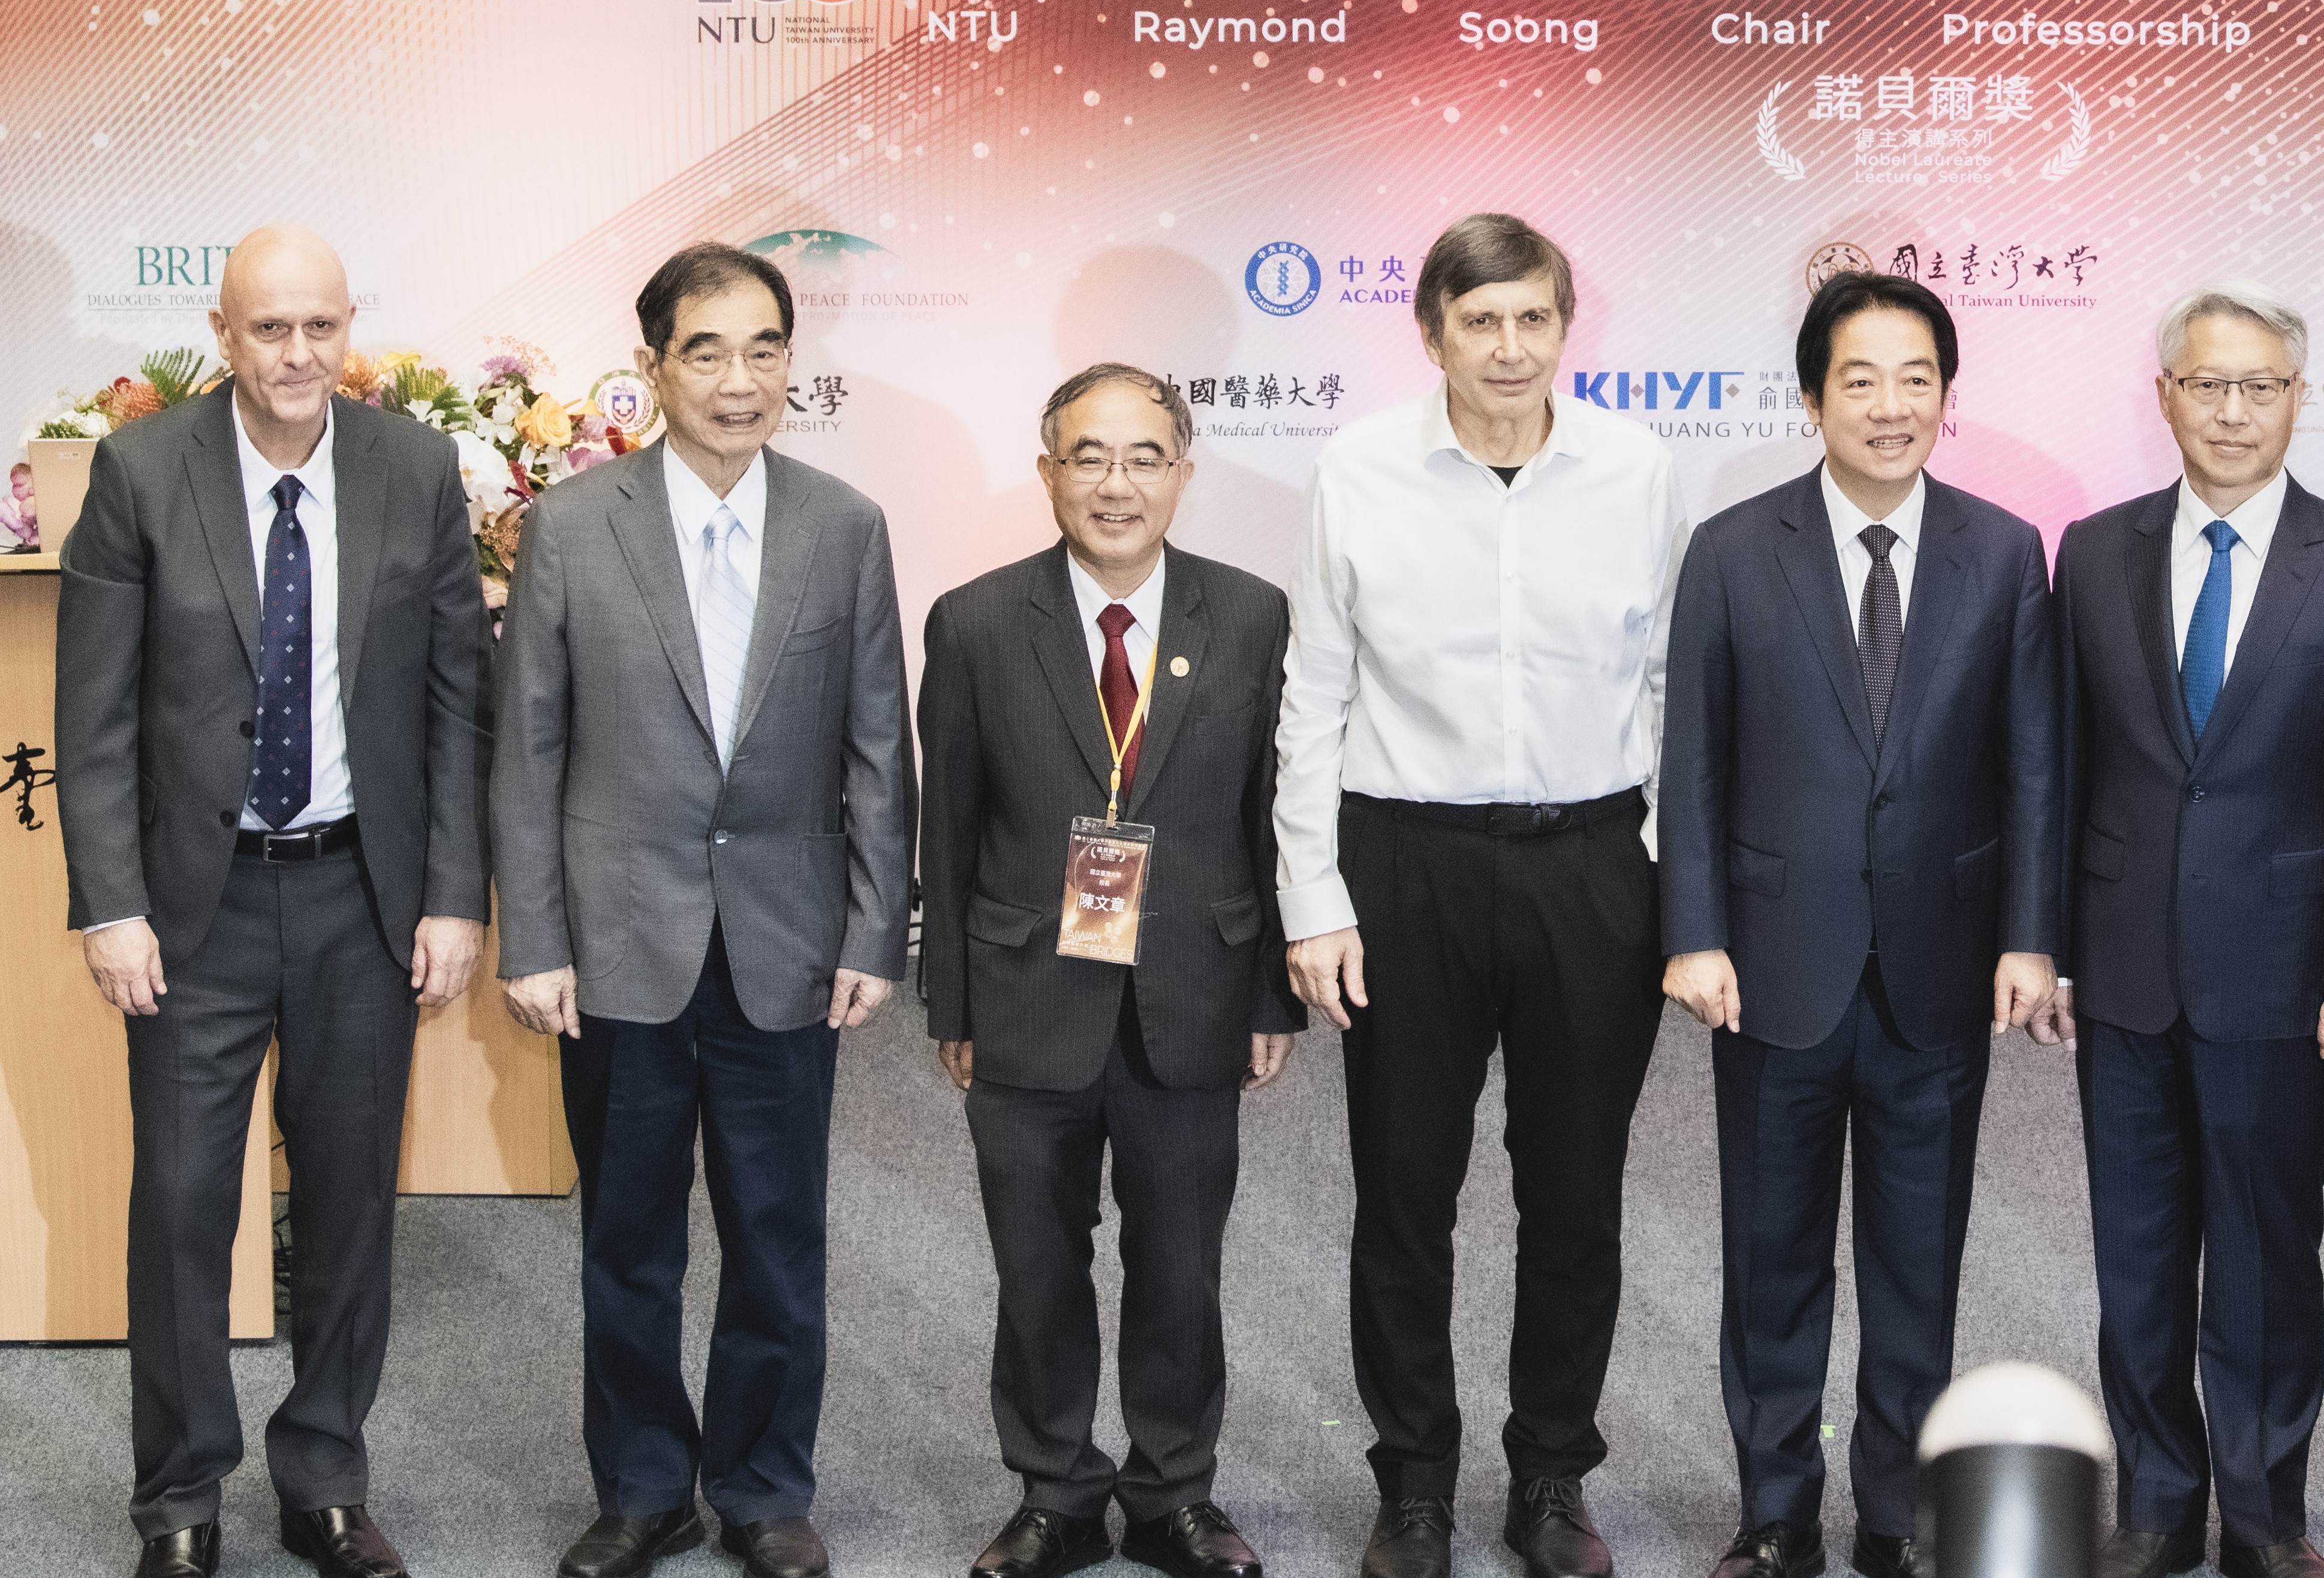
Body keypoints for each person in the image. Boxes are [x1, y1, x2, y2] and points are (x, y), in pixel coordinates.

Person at [56, 226, 490, 1578]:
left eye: (319, 328)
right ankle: (180, 1497)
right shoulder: (141, 471)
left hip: (363, 894)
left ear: (349, 326)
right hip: (197, 908)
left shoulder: (414, 467)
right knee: (183, 1203)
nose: (297, 355)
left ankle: (325, 1481)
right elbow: (98, 718)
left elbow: (451, 701)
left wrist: (454, 895)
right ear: (223, 332)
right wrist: (109, 901)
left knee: (353, 1200)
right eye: (268, 330)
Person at [491, 242, 916, 1578]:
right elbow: (530, 749)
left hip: (786, 941)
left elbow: (876, 750)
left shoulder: (845, 525)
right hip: (618, 940)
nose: (739, 382)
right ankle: (640, 1488)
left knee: (777, 1236)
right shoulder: (572, 523)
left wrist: (873, 930)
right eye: (708, 352)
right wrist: (537, 936)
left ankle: (763, 1487)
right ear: (653, 366)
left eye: (765, 350)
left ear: (793, 361)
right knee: (628, 1241)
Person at [1271, 214, 1687, 1578]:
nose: (1509, 348)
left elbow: (1675, 690)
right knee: (1406, 1194)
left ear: (1569, 326)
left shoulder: (1635, 469)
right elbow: (1315, 694)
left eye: (1534, 319)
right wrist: (1314, 896)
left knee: (1576, 1195)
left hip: (1591, 869)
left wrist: (1680, 894)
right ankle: (1415, 1485)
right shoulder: (1361, 469)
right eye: (1480, 321)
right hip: (1409, 870)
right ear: (1432, 331)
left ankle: (1553, 1471)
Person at [1657, 269, 2065, 1578]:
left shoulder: (2004, 551)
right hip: (1771, 967)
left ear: (1947, 395)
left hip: (1941, 969)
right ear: (1812, 395)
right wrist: (1695, 929)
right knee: (1770, 1257)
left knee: (1914, 1265)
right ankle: (1776, 1510)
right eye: (1860, 379)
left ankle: (1893, 1514)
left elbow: (2035, 767)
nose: (1891, 406)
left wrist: (2029, 935)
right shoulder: (1733, 548)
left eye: (1916, 379)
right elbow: (1696, 758)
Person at [2057, 285, 2324, 1578]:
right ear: (2164, 394)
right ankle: (2159, 1499)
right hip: (2121, 966)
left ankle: (2266, 1511)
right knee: (2140, 1251)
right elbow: (2061, 765)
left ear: (2296, 399)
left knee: (2271, 1250)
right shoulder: (2093, 552)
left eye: (2259, 386)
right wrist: (2044, 945)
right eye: (2207, 384)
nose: (2231, 409)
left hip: (2284, 971)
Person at [921, 366, 1301, 1578]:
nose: (1116, 483)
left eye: (1144, 457)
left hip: (1195, 991)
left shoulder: (1251, 615)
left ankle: (1175, 1490)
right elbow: (950, 825)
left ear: (1184, 472)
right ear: (1048, 473)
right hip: (1027, 996)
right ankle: (1055, 1490)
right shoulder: (976, 620)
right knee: (1036, 1261)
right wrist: (954, 1003)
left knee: (1180, 1261)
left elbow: (1271, 816)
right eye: (1089, 456)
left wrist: (1270, 992)